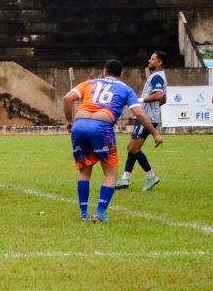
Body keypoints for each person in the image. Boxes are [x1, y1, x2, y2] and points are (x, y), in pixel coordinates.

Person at [63, 59, 162, 222]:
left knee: (85, 171)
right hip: (102, 126)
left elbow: (67, 98)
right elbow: (139, 113)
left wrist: (69, 122)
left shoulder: (90, 83)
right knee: (110, 173)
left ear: (104, 71)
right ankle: (100, 212)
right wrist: (155, 133)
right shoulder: (126, 89)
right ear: (120, 74)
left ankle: (83, 214)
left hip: (79, 124)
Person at [117, 51, 168, 191]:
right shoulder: (159, 76)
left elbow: (159, 95)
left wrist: (141, 101)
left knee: (133, 148)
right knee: (131, 148)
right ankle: (126, 178)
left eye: (152, 59)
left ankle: (150, 177)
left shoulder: (157, 77)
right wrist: (152, 107)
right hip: (147, 116)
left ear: (160, 62)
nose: (149, 60)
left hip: (147, 118)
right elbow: (164, 99)